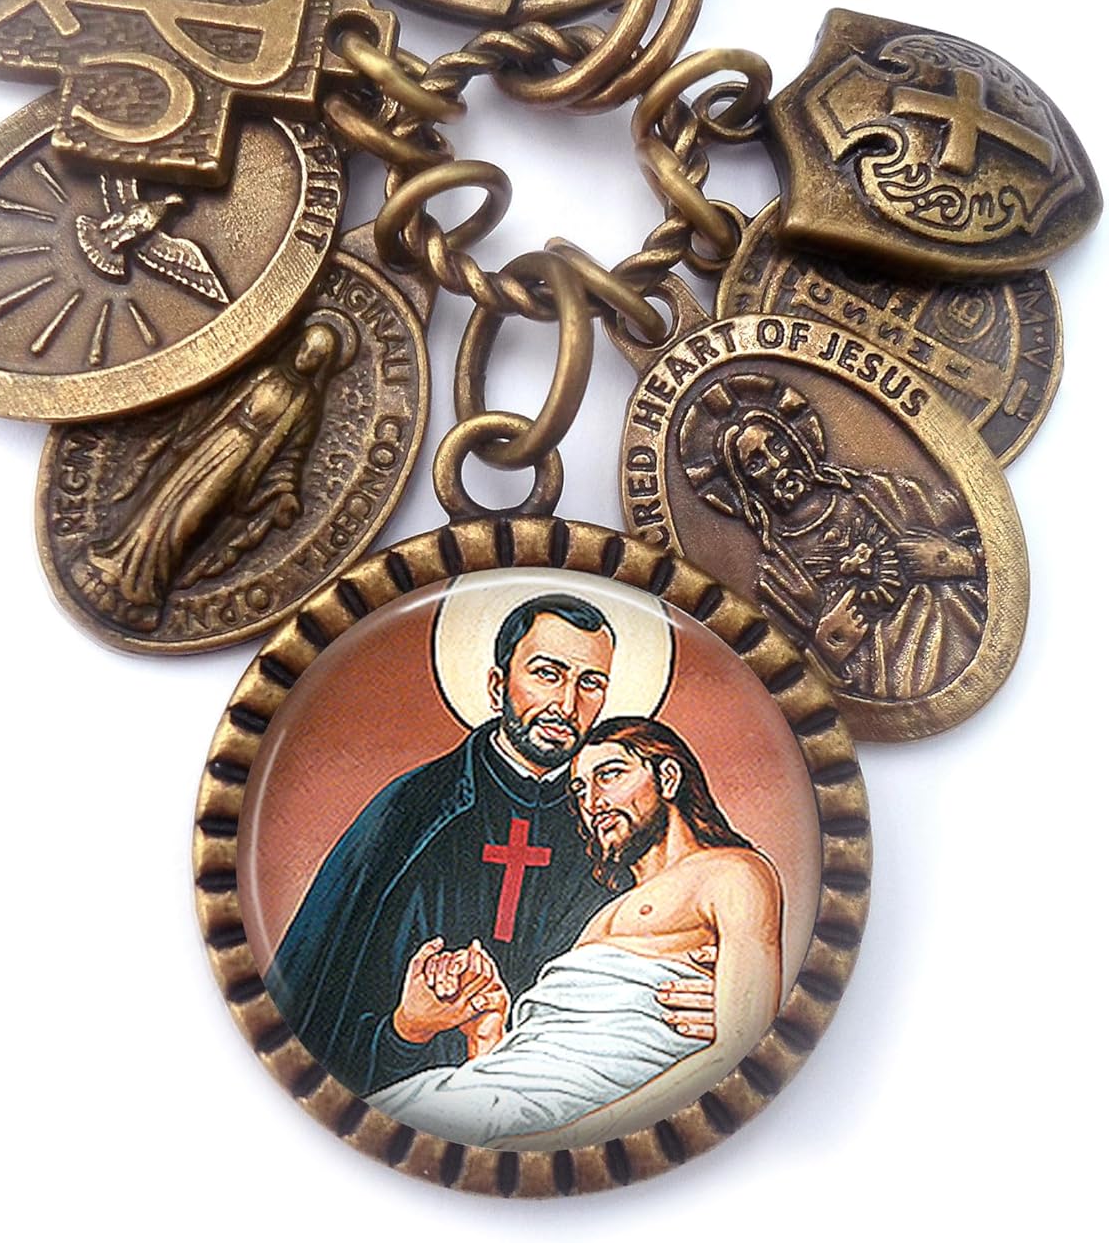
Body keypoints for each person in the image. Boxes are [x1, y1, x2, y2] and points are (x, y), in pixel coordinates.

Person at [264, 594, 713, 1096]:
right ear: (498, 686)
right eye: (547, 674)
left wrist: (720, 1001)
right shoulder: (412, 812)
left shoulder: (628, 833)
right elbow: (304, 1029)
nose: (567, 705)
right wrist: (406, 1031)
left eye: (590, 683)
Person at [369, 717, 784, 1150]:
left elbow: (743, 1051)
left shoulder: (731, 873)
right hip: (497, 1099)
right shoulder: (602, 916)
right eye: (580, 790)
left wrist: (572, 1138)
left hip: (569, 1127)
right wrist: (487, 1035)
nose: (592, 802)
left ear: (667, 777)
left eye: (610, 775)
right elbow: (562, 1053)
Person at [680, 384, 985, 699]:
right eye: (756, 464)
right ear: (745, 488)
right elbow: (791, 676)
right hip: (890, 682)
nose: (776, 464)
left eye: (778, 446)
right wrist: (827, 646)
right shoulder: (778, 578)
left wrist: (959, 559)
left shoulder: (878, 493)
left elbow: (972, 524)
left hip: (961, 630)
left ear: (798, 445)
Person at [71, 317, 351, 631]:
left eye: (315, 356)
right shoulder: (265, 373)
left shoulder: (306, 404)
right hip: (210, 443)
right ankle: (116, 565)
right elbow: (217, 400)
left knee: (186, 522)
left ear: (322, 363)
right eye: (305, 349)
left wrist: (285, 492)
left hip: (239, 466)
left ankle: (145, 592)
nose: (305, 358)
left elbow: (292, 455)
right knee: (158, 506)